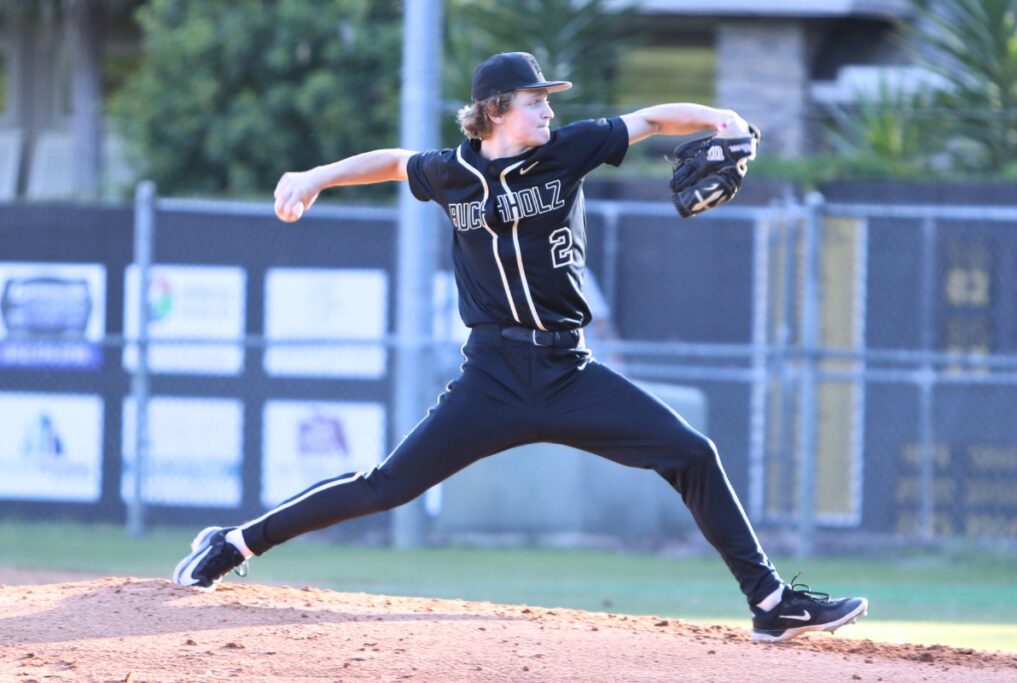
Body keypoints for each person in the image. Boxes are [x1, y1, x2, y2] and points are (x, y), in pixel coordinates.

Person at [173, 51, 867, 643]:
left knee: (692, 453)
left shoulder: (571, 150)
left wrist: (720, 120)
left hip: (569, 370)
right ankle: (232, 543)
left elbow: (653, 120)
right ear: (498, 107)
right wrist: (315, 175)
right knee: (388, 484)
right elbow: (391, 162)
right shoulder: (453, 174)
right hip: (492, 377)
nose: (549, 112)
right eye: (537, 101)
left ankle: (772, 604)